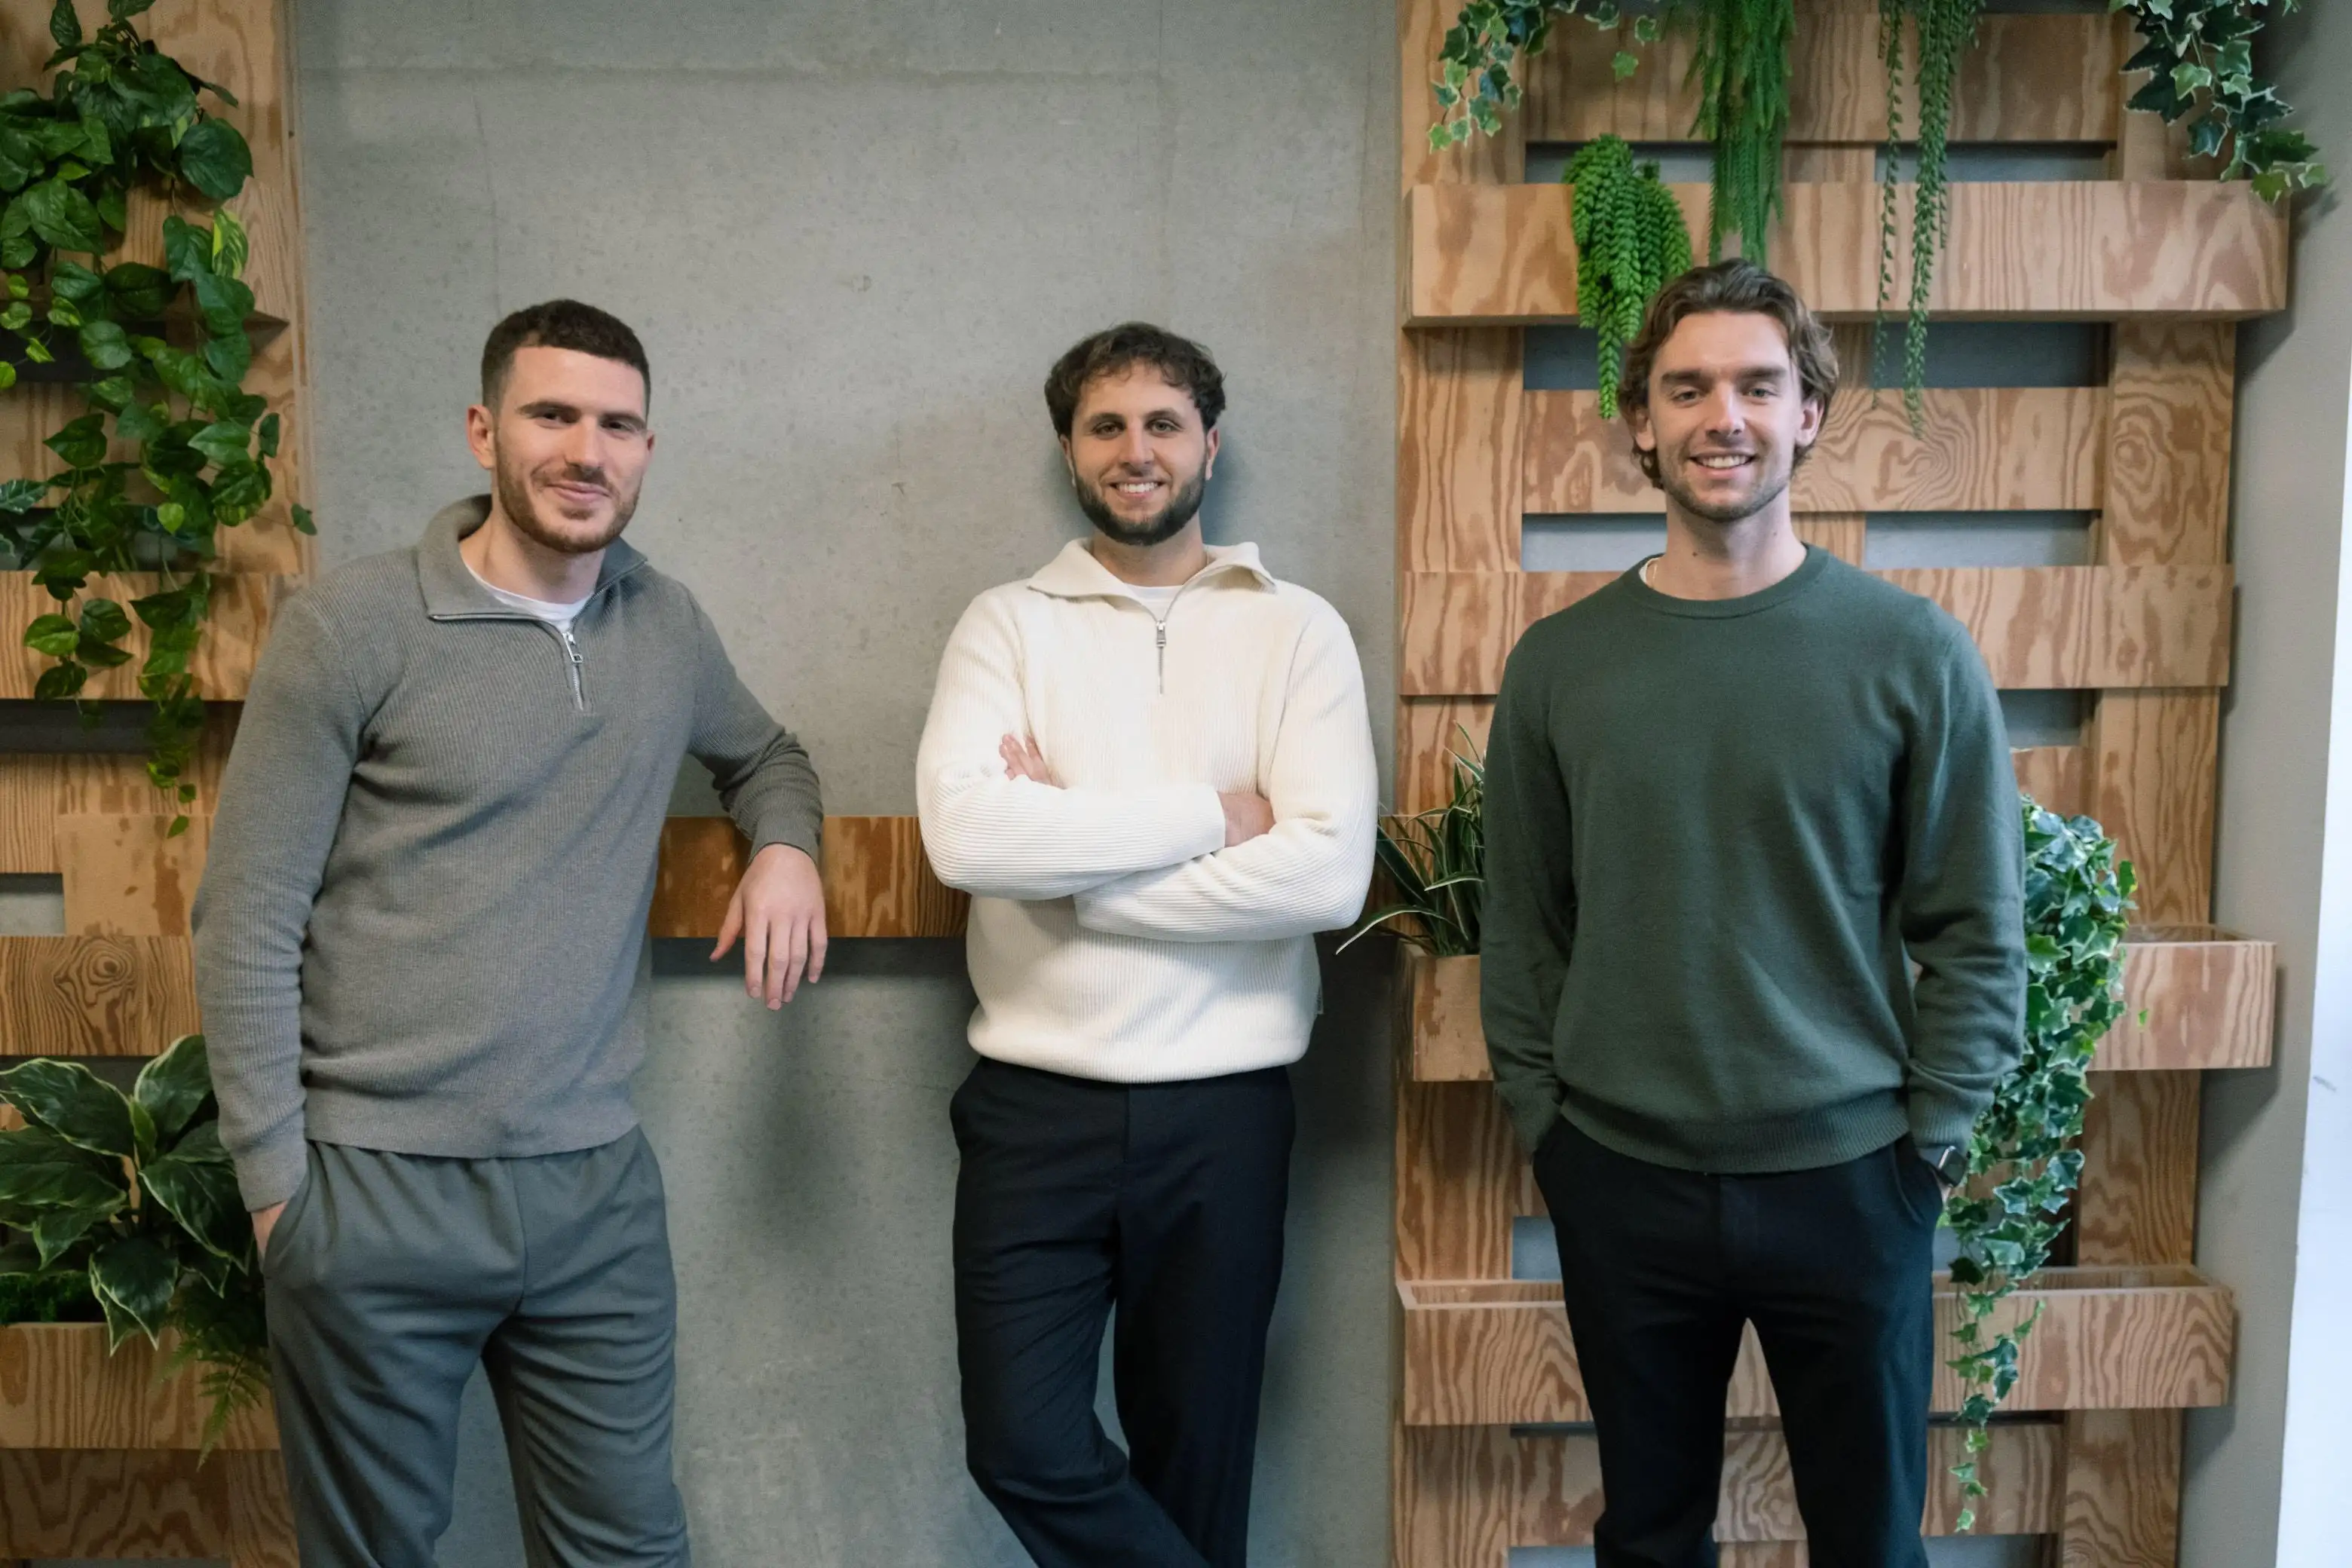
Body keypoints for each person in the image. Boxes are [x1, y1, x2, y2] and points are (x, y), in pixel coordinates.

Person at [193, 299, 827, 1566]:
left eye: (618, 424)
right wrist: (278, 1197)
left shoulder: (668, 623)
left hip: (594, 1190)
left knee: (629, 1552)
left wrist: (788, 846)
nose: (586, 451)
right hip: (373, 1187)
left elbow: (768, 754)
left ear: (647, 450)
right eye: (552, 415)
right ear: (485, 430)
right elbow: (245, 915)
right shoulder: (352, 626)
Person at [1479, 259, 2027, 1568]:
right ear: (1641, 422)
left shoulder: (1911, 653)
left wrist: (1929, 1146)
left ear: (1809, 415)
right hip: (1622, 1176)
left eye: (1757, 385)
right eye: (1689, 388)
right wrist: (1553, 1131)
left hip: (1853, 1182)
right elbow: (1524, 924)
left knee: (1867, 1542)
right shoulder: (1558, 664)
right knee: (1652, 1537)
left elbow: (1974, 925)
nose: (1723, 414)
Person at [915, 323, 1376, 1567]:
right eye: (1106, 426)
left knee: (1200, 1469)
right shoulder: (1004, 627)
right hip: (1034, 1111)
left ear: (1209, 445)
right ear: (1070, 452)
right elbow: (967, 838)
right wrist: (1210, 820)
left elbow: (1327, 875)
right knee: (1022, 1446)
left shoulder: (1298, 631)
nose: (1137, 450)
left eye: (1163, 423)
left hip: (1224, 1115)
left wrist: (1075, 872)